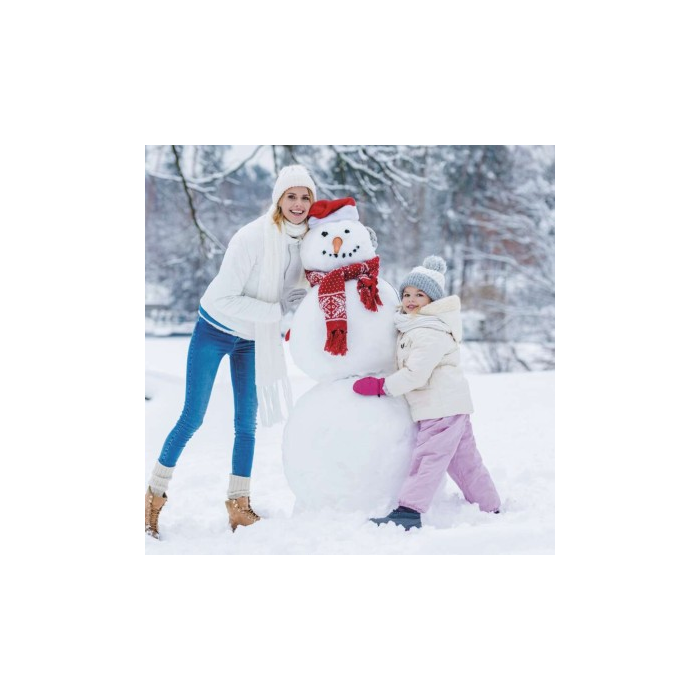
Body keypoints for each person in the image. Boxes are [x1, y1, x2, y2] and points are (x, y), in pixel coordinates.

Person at [146, 165, 317, 539]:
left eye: (305, 197)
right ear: (278, 199)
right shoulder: (252, 238)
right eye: (291, 196)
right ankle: (153, 497)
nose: (298, 204)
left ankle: (239, 506)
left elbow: (296, 285)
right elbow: (224, 297)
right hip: (215, 329)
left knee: (246, 424)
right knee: (193, 416)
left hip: (252, 339)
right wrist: (275, 312)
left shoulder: (307, 243)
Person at [353, 255, 501, 530]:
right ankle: (489, 506)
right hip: (449, 406)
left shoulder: (429, 330)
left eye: (419, 295)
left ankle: (409, 511)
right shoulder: (415, 326)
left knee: (428, 459)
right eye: (407, 294)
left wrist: (382, 387)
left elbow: (415, 374)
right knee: (464, 461)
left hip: (440, 408)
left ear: (432, 300)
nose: (411, 299)